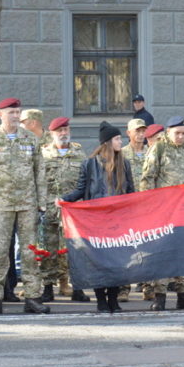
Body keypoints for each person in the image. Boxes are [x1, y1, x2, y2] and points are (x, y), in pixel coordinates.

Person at [0, 98, 50, 316]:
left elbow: (40, 171)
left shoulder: (29, 138)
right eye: (11, 113)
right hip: (0, 204)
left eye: (18, 112)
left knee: (29, 251)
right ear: (1, 115)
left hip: (27, 203)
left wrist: (42, 202)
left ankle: (32, 297)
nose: (16, 116)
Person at [61, 122, 135, 313]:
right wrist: (64, 200)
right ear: (108, 142)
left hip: (117, 222)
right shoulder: (89, 163)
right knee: (99, 261)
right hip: (96, 221)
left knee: (117, 262)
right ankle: (101, 300)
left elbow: (131, 193)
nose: (121, 141)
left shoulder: (123, 164)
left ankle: (113, 299)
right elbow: (80, 189)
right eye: (118, 138)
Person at [140, 115, 184, 311]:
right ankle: (159, 295)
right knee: (163, 251)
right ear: (168, 132)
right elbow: (147, 178)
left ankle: (183, 294)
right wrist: (150, 206)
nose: (180, 137)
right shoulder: (159, 149)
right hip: (164, 210)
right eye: (177, 133)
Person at [40, 117, 89, 303]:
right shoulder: (43, 154)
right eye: (59, 131)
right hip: (50, 210)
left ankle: (78, 288)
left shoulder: (79, 153)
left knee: (75, 250)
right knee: (48, 250)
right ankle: (47, 288)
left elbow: (86, 181)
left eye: (66, 129)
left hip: (73, 211)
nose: (63, 133)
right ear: (51, 133)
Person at [119, 117, 148, 302]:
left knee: (147, 248)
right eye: (136, 131)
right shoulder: (121, 154)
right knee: (126, 249)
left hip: (147, 208)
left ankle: (148, 286)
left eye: (143, 130)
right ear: (128, 133)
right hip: (127, 209)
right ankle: (123, 288)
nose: (140, 134)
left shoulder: (151, 152)